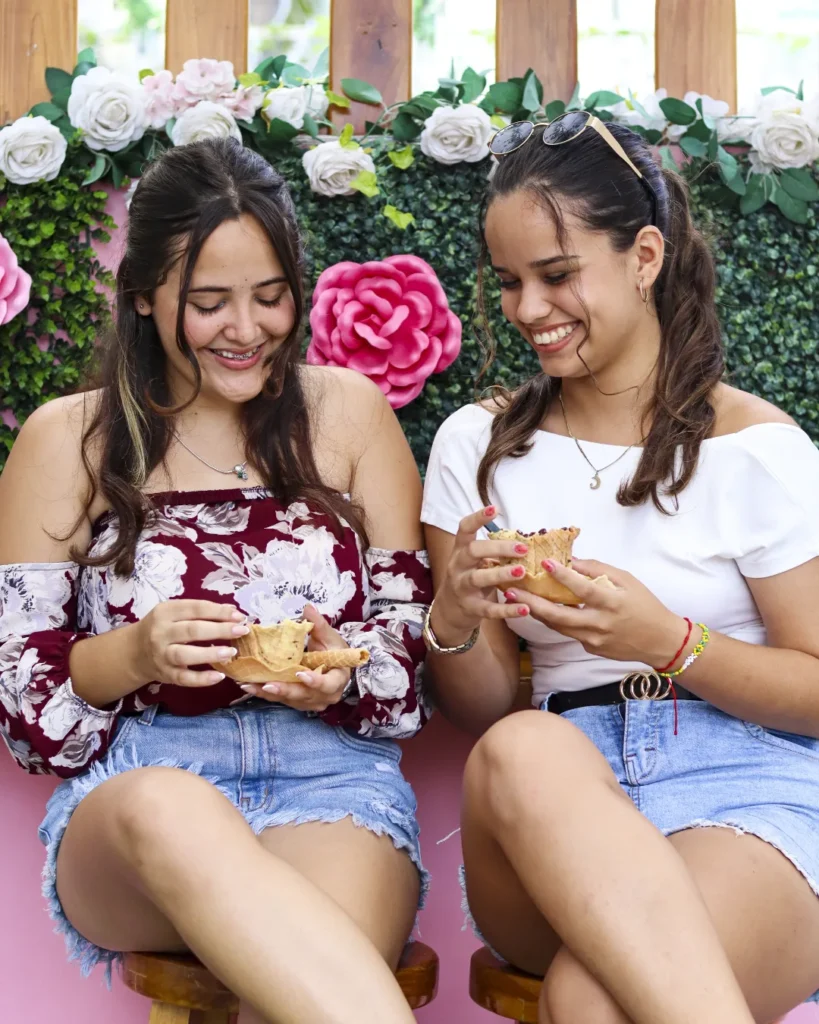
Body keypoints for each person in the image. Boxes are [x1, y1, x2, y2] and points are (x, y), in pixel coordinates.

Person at [0, 137, 431, 1024]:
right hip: (140, 787)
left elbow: (405, 657)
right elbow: (29, 717)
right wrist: (133, 654)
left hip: (333, 784)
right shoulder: (67, 438)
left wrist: (340, 675)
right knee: (169, 806)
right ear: (146, 299)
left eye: (271, 297)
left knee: (313, 983)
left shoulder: (348, 412)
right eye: (209, 303)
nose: (247, 329)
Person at [420, 113, 819, 1024]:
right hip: (546, 812)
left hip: (747, 796)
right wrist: (451, 618)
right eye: (510, 282)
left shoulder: (754, 450)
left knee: (590, 1001)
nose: (527, 309)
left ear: (644, 256)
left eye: (557, 276)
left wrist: (668, 643)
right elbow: (479, 711)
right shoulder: (476, 447)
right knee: (522, 742)